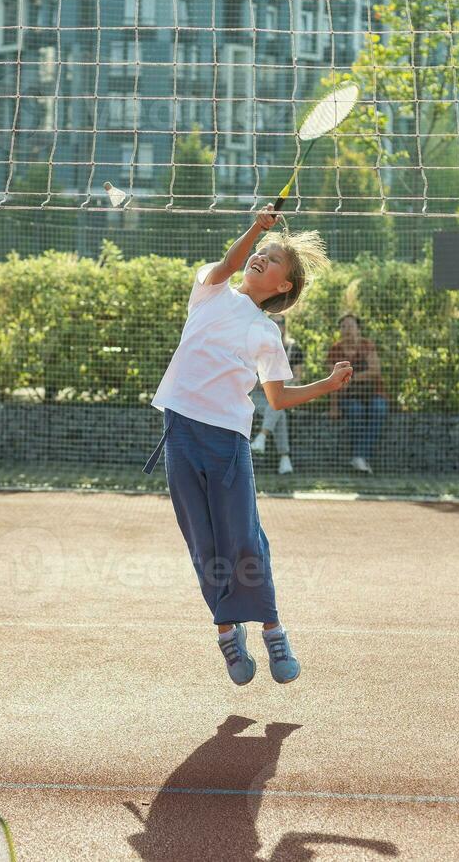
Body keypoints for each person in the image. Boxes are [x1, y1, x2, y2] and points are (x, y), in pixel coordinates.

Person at [143, 206, 353, 686]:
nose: (261, 257)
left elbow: (277, 397)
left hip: (227, 441)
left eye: (273, 258)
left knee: (244, 539)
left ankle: (273, 630)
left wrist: (326, 383)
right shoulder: (211, 289)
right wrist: (256, 229)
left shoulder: (266, 332)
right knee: (203, 540)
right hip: (181, 433)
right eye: (261, 251)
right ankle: (226, 636)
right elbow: (228, 263)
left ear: (284, 287)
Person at [326, 313, 388, 475]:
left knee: (379, 409)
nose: (347, 330)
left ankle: (359, 456)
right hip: (349, 396)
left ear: (358, 329)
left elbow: (375, 371)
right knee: (355, 411)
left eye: (351, 326)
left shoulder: (367, 346)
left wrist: (351, 378)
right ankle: (360, 458)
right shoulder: (336, 350)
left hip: (374, 392)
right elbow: (333, 380)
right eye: (344, 326)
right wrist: (334, 407)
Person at [250, 312, 306, 475]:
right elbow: (251, 376)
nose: (277, 326)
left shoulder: (293, 348)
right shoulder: (256, 347)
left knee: (278, 401)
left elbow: (298, 377)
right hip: (260, 395)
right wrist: (267, 384)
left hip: (285, 392)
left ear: (285, 326)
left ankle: (262, 437)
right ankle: (284, 457)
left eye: (280, 322)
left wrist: (279, 386)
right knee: (278, 409)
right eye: (272, 322)